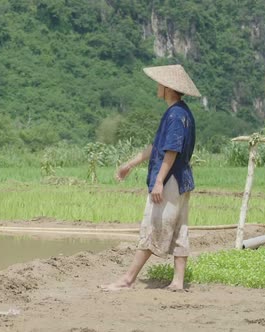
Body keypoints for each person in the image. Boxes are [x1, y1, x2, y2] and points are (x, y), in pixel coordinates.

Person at [101, 64, 200, 291]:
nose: (157, 87)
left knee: (153, 226)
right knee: (179, 229)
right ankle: (178, 281)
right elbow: (157, 147)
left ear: (167, 87)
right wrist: (130, 164)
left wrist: (158, 181)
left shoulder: (175, 115)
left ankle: (128, 279)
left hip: (171, 180)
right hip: (183, 179)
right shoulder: (181, 112)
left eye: (159, 84)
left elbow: (171, 151)